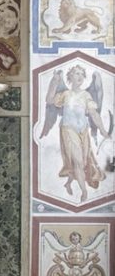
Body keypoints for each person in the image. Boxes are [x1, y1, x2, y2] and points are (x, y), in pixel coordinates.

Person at [42, 64, 112, 201]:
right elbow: (49, 100)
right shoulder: (66, 94)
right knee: (78, 161)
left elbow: (94, 114)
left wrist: (103, 131)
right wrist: (54, 82)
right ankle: (84, 192)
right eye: (76, 73)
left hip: (83, 131)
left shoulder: (86, 95)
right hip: (68, 129)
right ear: (70, 77)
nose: (80, 76)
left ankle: (68, 183)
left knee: (83, 162)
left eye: (82, 74)